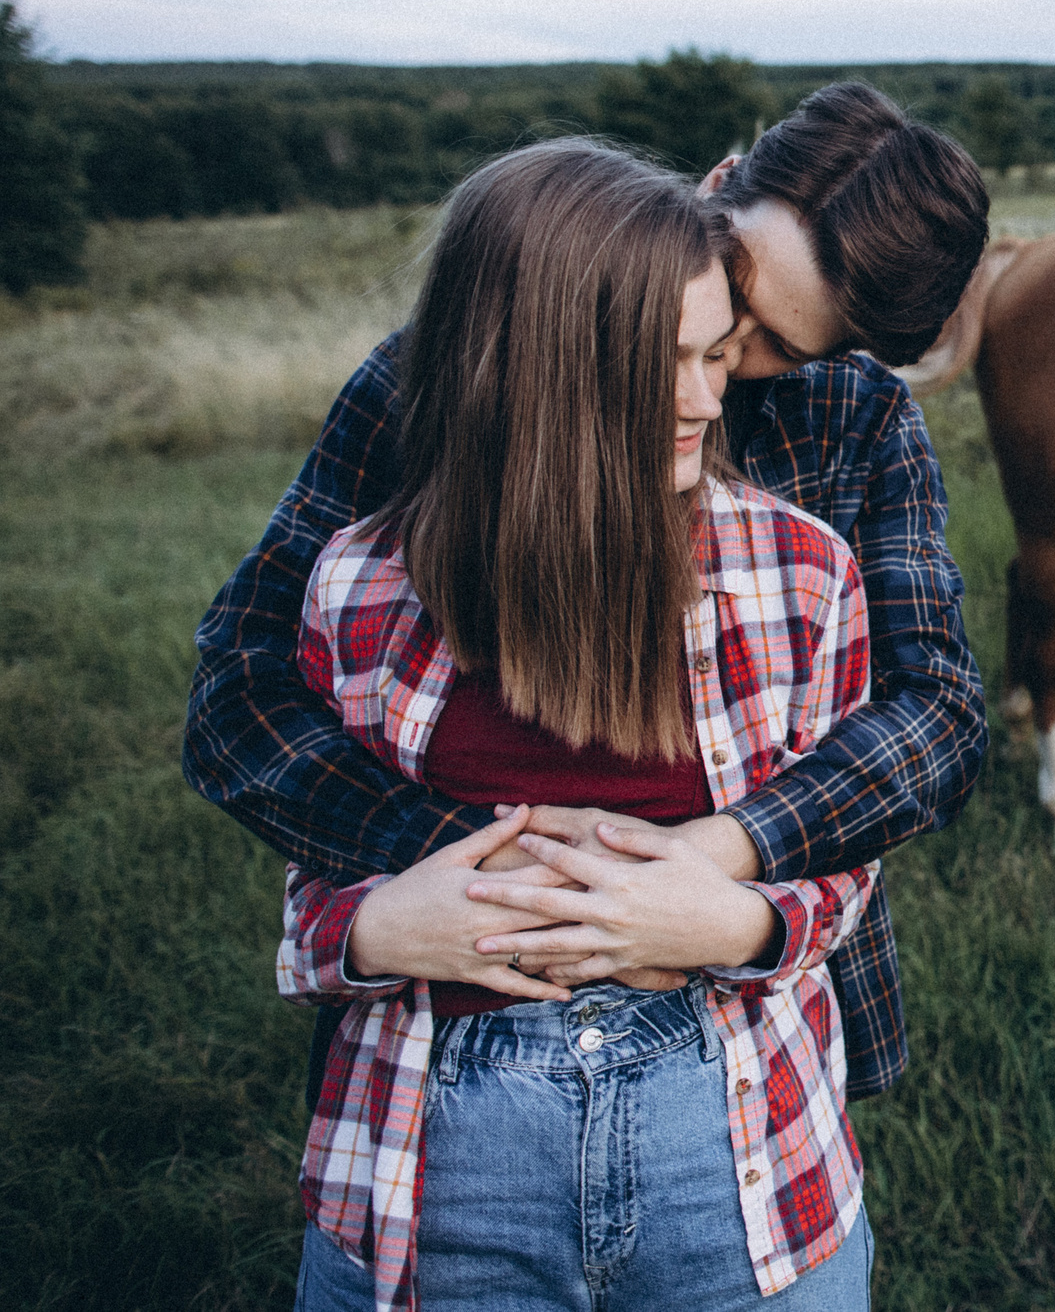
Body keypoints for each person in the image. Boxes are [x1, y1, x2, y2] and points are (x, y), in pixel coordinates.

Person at [184, 81, 991, 1112]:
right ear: (711, 192)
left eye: (782, 348)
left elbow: (940, 715)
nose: (727, 368)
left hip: (753, 1004)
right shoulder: (441, 374)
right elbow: (238, 691)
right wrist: (469, 869)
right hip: (449, 1026)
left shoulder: (860, 420)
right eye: (734, 295)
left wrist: (710, 861)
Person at [285, 141, 883, 1308]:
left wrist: (742, 919)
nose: (710, 399)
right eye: (668, 363)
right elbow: (312, 885)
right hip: (439, 1152)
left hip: (732, 1136)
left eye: (720, 357)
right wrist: (371, 935)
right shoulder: (356, 590)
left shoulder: (801, 574)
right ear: (536, 362)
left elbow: (847, 864)